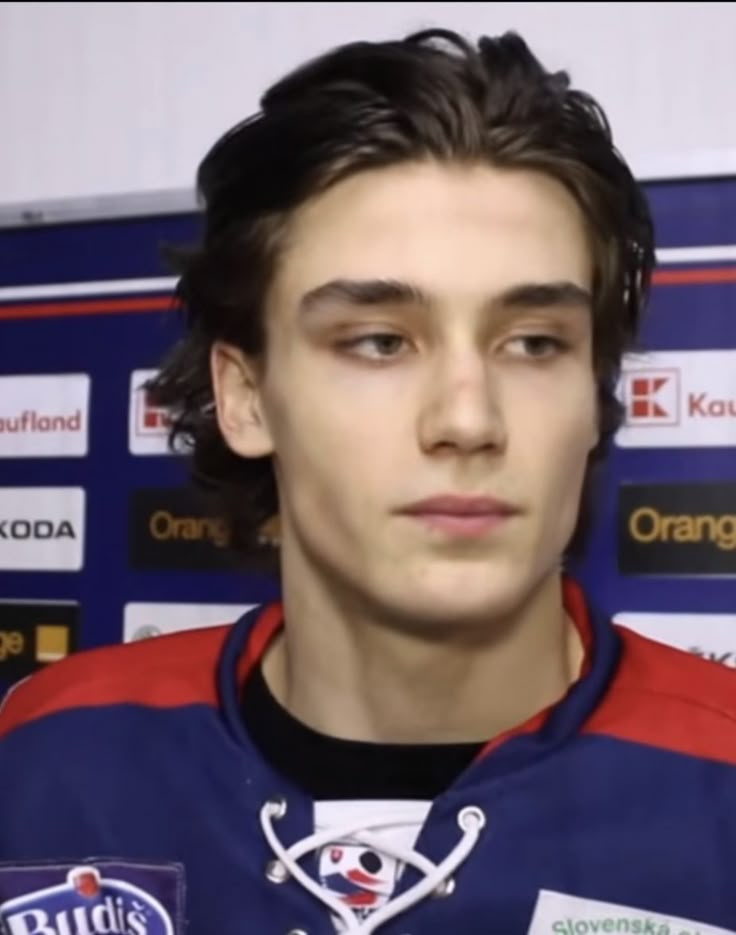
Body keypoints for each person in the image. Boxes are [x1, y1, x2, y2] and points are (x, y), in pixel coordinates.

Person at [2, 25, 736, 935]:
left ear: (594, 394)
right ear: (245, 397)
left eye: (535, 342)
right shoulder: (46, 755)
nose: (468, 419)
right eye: (380, 341)